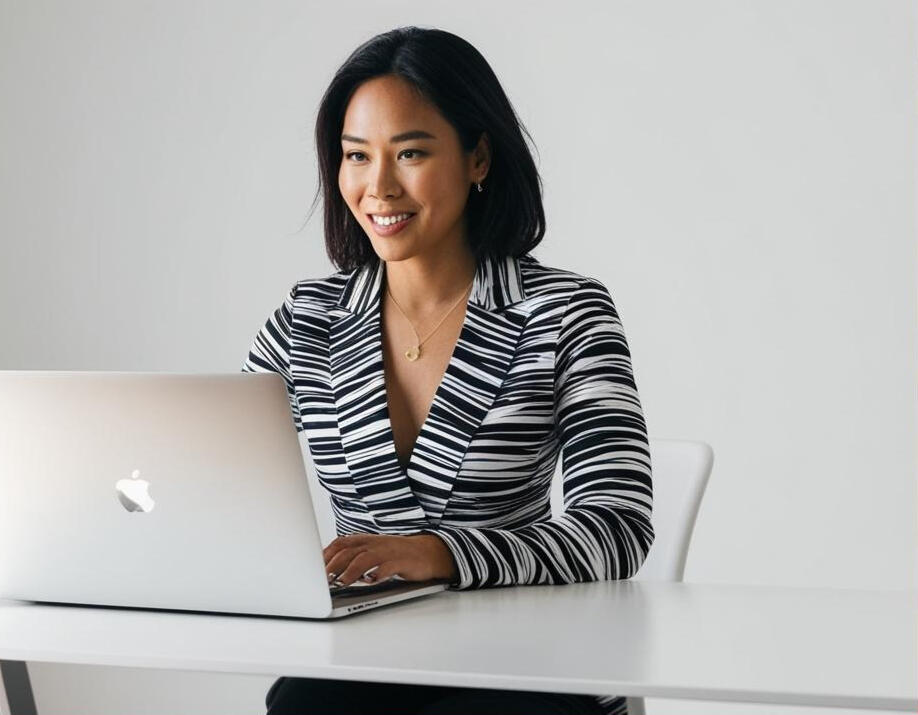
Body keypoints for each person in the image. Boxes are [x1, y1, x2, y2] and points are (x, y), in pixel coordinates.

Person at [242, 25, 654, 715]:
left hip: (526, 664)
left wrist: (442, 552)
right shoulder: (306, 319)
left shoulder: (564, 312)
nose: (378, 187)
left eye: (410, 152)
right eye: (355, 156)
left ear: (478, 157)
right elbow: (227, 489)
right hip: (366, 661)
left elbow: (616, 526)